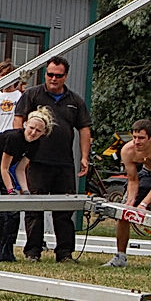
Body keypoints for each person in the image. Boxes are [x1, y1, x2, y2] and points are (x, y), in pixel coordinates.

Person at [12, 55, 92, 263]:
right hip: (35, 162)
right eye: (50, 74)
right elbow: (18, 121)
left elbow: (84, 129)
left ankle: (65, 253)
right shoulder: (32, 95)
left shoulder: (75, 101)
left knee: (64, 209)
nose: (53, 79)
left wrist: (84, 157)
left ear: (66, 76)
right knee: (34, 208)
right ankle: (33, 252)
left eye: (58, 75)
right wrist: (21, 148)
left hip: (64, 163)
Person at [102, 119, 151, 271]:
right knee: (123, 212)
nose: (136, 142)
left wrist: (143, 204)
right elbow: (133, 180)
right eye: (134, 137)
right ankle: (120, 256)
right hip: (147, 172)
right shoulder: (127, 150)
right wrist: (130, 202)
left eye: (141, 138)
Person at [0, 106, 54, 261]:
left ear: (43, 133)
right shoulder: (14, 138)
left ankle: (7, 252)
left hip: (1, 171)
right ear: (25, 124)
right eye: (31, 128)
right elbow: (4, 168)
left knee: (13, 212)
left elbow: (20, 169)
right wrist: (11, 191)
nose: (33, 133)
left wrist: (25, 191)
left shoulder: (35, 144)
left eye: (38, 131)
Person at [0, 59, 24, 136]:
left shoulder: (22, 97)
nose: (6, 78)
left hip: (15, 139)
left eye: (9, 74)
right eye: (3, 75)